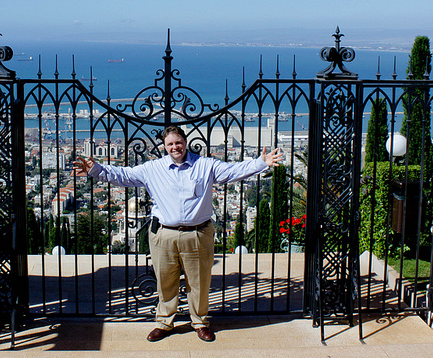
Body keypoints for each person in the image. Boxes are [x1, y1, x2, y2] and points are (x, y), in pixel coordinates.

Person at [73, 126, 283, 342]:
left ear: (185, 142)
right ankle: (164, 322)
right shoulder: (152, 168)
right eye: (170, 144)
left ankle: (200, 322)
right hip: (164, 234)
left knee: (199, 281)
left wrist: (261, 163)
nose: (175, 147)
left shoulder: (205, 166)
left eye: (178, 142)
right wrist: (95, 169)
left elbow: (233, 171)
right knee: (165, 280)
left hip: (198, 233)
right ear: (164, 147)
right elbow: (124, 175)